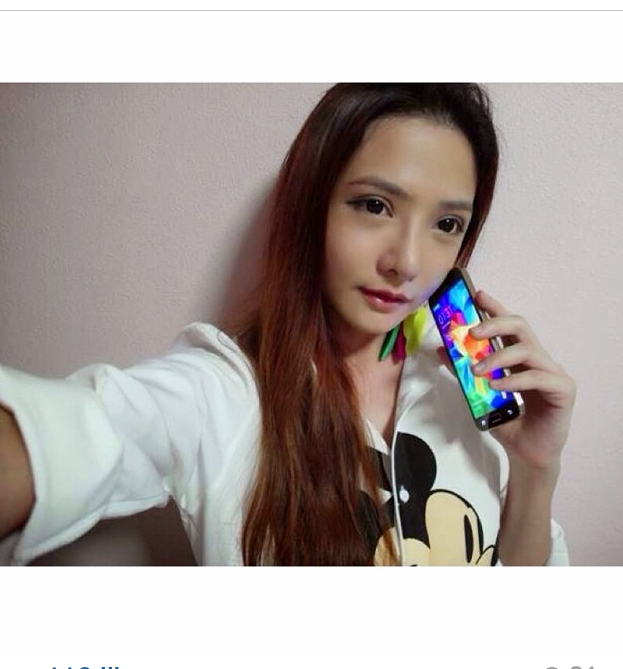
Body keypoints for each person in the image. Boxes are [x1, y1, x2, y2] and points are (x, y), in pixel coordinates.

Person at [0, 83, 575, 566]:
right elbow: (87, 430)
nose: (407, 262)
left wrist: (534, 466)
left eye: (446, 224)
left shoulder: (471, 387)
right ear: (311, 205)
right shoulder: (226, 395)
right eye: (375, 205)